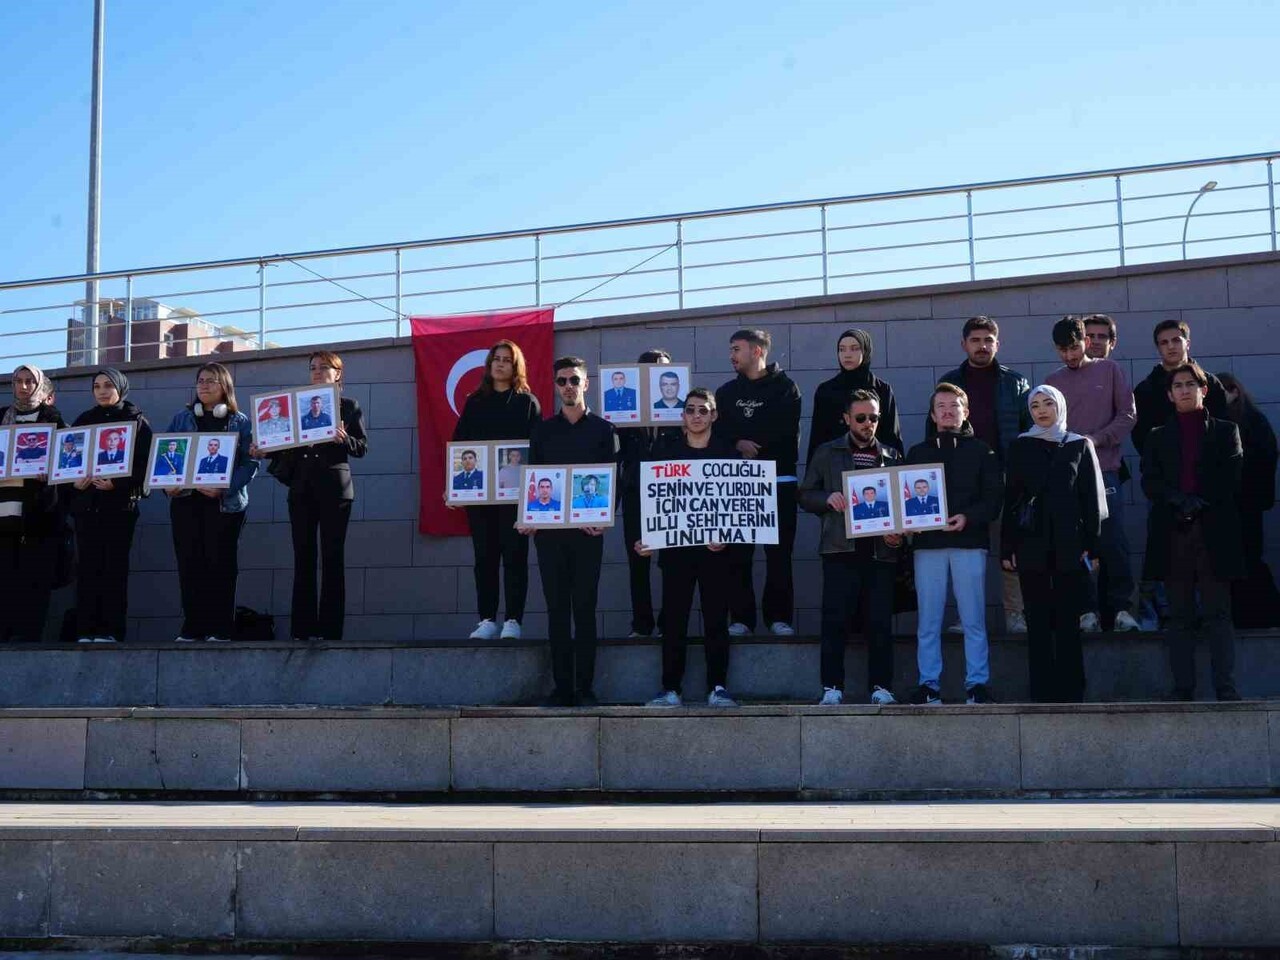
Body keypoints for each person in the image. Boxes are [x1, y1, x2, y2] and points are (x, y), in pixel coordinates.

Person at [1140, 362, 1242, 701]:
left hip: (1213, 532)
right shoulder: (1157, 436)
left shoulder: (1226, 431)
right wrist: (1178, 501)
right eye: (1178, 386)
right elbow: (1150, 481)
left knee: (1218, 613)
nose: (1184, 390)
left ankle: (1225, 687)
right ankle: (1182, 688)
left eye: (1190, 384)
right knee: (1179, 615)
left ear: (1204, 390)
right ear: (1169, 395)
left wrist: (1200, 502)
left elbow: (1231, 475)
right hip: (1174, 533)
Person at [1001, 385, 1106, 703]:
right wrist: (1007, 548)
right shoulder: (1020, 446)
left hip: (1069, 544)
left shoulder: (1079, 445)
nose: (1042, 410)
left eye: (1048, 403)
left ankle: (1072, 691)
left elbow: (1090, 499)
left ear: (1060, 406)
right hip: (1031, 543)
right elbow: (1012, 499)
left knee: (1067, 620)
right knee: (1037, 620)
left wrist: (1093, 546)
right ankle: (1042, 692)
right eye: (1035, 405)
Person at [253, 351, 367, 643]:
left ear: (338, 373)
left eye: (324, 367)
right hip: (302, 489)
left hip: (335, 488)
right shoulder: (295, 406)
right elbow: (281, 445)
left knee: (332, 558)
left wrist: (345, 438)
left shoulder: (349, 406)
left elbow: (361, 447)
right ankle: (302, 630)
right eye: (313, 368)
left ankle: (330, 632)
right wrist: (264, 449)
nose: (317, 372)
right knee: (303, 558)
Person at [522, 356, 616, 706]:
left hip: (588, 535)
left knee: (585, 608)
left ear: (586, 383)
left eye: (574, 380)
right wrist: (530, 515)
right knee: (557, 610)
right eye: (561, 381)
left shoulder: (605, 430)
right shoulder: (543, 431)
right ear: (555, 385)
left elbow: (614, 482)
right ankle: (562, 688)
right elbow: (533, 483)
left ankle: (585, 687)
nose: (568, 387)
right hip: (549, 537)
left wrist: (605, 518)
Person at [800, 389, 904, 705]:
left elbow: (903, 506)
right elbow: (805, 494)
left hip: (880, 551)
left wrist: (899, 534)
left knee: (880, 622)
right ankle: (831, 686)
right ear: (847, 419)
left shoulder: (892, 455)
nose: (868, 423)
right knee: (835, 620)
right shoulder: (826, 452)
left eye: (874, 417)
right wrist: (826, 499)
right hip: (839, 549)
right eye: (861, 418)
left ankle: (881, 687)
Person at [637, 388, 739, 707]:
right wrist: (649, 537)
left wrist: (727, 536)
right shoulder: (665, 451)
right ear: (682, 416)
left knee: (716, 620)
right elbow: (652, 499)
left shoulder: (729, 454)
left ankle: (718, 687)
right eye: (691, 410)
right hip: (676, 552)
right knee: (674, 620)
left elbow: (740, 506)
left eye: (703, 410)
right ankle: (671, 689)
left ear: (714, 415)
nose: (697, 416)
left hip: (716, 553)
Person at [906, 382, 1003, 704]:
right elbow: (906, 499)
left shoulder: (983, 451)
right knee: (928, 621)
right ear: (933, 415)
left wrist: (968, 518)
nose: (948, 412)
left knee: (973, 619)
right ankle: (929, 685)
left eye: (954, 406)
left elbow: (993, 500)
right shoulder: (917, 453)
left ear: (965, 412)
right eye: (942, 407)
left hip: (969, 543)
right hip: (928, 546)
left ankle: (977, 684)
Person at [933, 316, 1030, 633]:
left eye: (988, 340)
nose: (982, 346)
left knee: (1010, 550)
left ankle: (1016, 615)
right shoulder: (949, 381)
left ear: (997, 344)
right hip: (962, 482)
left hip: (1006, 478)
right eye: (975, 340)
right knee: (964, 553)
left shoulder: (1016, 383)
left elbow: (1028, 434)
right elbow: (934, 434)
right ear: (964, 344)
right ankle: (965, 616)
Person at [1045, 316, 1139, 633]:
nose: (1070, 356)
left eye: (1073, 347)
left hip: (1107, 471)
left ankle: (1122, 609)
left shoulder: (1110, 370)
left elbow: (1127, 415)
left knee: (1114, 541)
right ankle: (1086, 610)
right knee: (1076, 544)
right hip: (1070, 476)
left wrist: (1096, 440)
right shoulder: (1052, 381)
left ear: (1085, 341)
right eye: (1062, 350)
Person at [714, 328, 802, 637]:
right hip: (739, 485)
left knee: (779, 555)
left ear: (757, 351)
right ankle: (741, 619)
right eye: (731, 349)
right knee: (738, 554)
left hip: (779, 482)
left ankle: (779, 617)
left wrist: (756, 444)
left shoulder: (786, 388)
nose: (732, 356)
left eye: (736, 349)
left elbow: (785, 431)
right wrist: (738, 443)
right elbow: (720, 434)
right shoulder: (724, 393)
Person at [452, 340, 541, 641]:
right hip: (481, 498)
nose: (501, 364)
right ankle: (487, 619)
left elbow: (539, 452)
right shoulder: (474, 402)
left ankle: (514, 620)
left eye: (507, 360)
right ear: (489, 365)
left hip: (516, 498)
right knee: (484, 558)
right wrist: (451, 489)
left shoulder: (528, 403)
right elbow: (459, 446)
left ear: (516, 366)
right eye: (496, 359)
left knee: (515, 557)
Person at [166, 362, 258, 643]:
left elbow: (250, 463)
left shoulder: (240, 422)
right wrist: (166, 486)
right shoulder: (182, 419)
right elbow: (165, 459)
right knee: (190, 564)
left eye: (211, 381)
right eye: (200, 380)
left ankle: (220, 629)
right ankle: (193, 627)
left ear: (225, 387)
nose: (204, 385)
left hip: (225, 505)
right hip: (185, 502)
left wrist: (225, 489)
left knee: (221, 565)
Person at [67, 368, 152, 644]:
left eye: (108, 385)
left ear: (121, 388)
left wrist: (118, 485)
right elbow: (68, 462)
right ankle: (86, 630)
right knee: (88, 569)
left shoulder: (136, 421)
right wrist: (73, 484)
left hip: (119, 509)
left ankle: (111, 631)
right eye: (97, 386)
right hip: (87, 508)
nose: (102, 390)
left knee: (113, 569)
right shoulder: (83, 420)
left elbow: (147, 467)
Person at [618, 349, 681, 639]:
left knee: (672, 561)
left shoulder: (681, 412)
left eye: (664, 371)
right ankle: (641, 625)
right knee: (637, 562)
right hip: (634, 493)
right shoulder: (622, 411)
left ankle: (670, 623)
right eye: (651, 371)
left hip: (671, 495)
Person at [0, 365, 66, 642]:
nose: (24, 387)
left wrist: (49, 472)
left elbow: (68, 464)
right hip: (4, 511)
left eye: (30, 382)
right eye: (18, 381)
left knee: (33, 579)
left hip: (39, 514)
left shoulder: (54, 420)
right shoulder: (2, 417)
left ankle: (28, 638)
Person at [1217, 372, 1279, 629]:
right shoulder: (1247, 420)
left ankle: (1258, 614)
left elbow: (1265, 461)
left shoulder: (1251, 421)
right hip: (1237, 504)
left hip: (1244, 504)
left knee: (1248, 561)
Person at [1132, 319, 1228, 456]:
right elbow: (1141, 437)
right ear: (1158, 348)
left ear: (1187, 344)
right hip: (1163, 470)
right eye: (1164, 342)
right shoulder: (1145, 390)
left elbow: (1224, 426)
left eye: (1176, 340)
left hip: (1210, 464)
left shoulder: (1210, 383)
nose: (1170, 346)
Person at [806, 328, 902, 463]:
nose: (847, 354)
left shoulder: (882, 389)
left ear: (865, 351)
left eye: (854, 348)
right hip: (835, 470)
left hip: (875, 469)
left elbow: (892, 437)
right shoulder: (826, 391)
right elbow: (817, 438)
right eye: (842, 349)